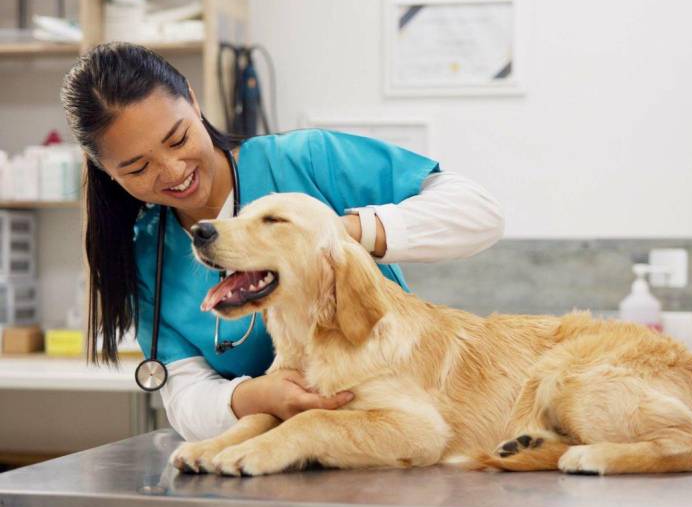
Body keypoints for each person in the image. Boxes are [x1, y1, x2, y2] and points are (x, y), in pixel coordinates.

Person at [61, 40, 503, 453]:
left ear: (194, 102)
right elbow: (184, 397)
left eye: (178, 139)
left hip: (393, 450)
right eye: (138, 167)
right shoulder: (146, 256)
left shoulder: (305, 161)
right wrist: (255, 397)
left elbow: (480, 213)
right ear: (108, 172)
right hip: (271, 475)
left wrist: (335, 235)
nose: (173, 170)